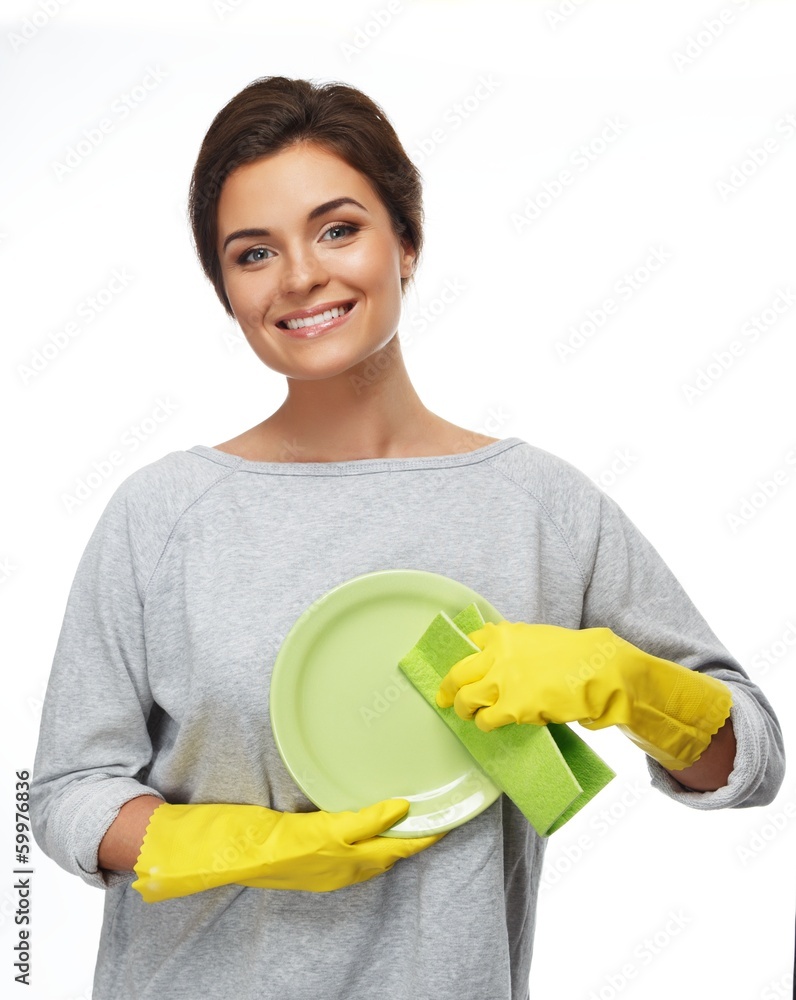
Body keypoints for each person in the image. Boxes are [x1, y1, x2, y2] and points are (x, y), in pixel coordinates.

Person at [30, 75, 785, 1000]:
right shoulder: (162, 515)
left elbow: (752, 759)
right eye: (253, 252)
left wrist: (633, 686)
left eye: (337, 229)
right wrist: (228, 844)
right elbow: (64, 791)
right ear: (226, 290)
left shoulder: (539, 507)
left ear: (408, 242)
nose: (299, 276)